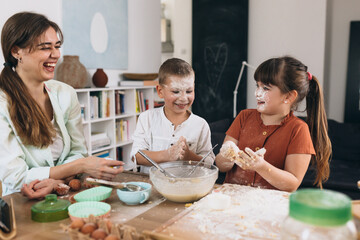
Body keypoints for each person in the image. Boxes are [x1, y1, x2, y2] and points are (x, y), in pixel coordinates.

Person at [0, 12, 124, 198]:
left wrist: (55, 181)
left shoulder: (66, 93)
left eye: (57, 46)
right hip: (22, 202)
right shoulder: (3, 103)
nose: (56, 54)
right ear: (16, 51)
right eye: (45, 47)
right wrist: (79, 166)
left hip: (65, 192)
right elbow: (15, 176)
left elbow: (78, 151)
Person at [215, 56, 331, 192]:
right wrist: (226, 156)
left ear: (288, 97)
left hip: (270, 205)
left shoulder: (298, 130)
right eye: (257, 86)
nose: (257, 93)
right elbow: (221, 166)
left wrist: (261, 167)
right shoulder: (244, 117)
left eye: (265, 88)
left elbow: (292, 184)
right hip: (232, 199)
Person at [130, 58, 215, 173]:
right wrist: (167, 155)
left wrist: (189, 156)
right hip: (151, 185)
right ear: (160, 91)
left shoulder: (201, 125)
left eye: (189, 91)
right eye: (176, 92)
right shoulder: (147, 118)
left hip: (187, 186)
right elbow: (136, 156)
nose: (184, 98)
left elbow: (209, 163)